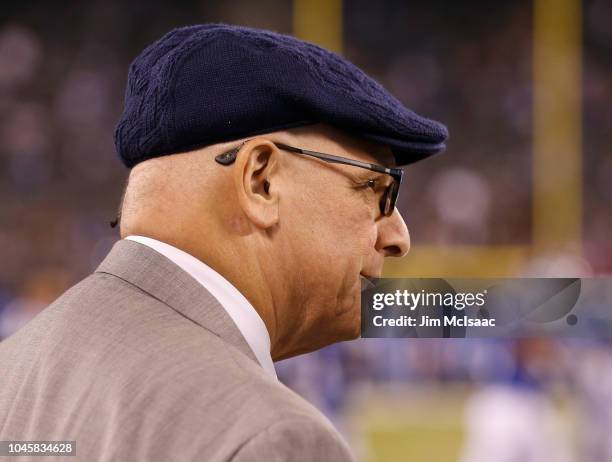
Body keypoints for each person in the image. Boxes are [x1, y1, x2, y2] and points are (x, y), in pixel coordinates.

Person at [0, 24, 447, 461]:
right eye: (375, 189)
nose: (398, 237)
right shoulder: (272, 437)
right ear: (261, 181)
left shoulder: (13, 366)